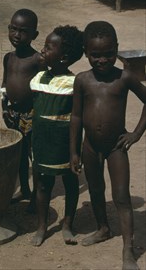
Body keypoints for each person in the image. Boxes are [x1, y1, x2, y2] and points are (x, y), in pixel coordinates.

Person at [70, 21, 146, 270]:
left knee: (122, 197)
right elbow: (77, 116)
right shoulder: (82, 80)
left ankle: (128, 252)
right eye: (95, 55)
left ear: (117, 49)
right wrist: (73, 151)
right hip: (89, 146)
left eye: (108, 54)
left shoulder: (124, 78)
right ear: (85, 52)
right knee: (95, 189)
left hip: (116, 147)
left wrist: (135, 134)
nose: (102, 60)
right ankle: (103, 227)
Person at [30, 25, 84, 246]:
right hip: (42, 141)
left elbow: (77, 118)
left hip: (66, 143)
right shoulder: (40, 77)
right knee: (43, 184)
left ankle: (68, 225)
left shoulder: (74, 83)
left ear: (63, 57)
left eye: (48, 47)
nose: (42, 50)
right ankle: (42, 227)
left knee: (71, 182)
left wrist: (74, 152)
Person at [0, 9, 45, 209]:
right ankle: (24, 188)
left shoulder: (38, 60)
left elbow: (43, 89)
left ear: (34, 35)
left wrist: (39, 114)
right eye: (14, 29)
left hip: (32, 114)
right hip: (13, 114)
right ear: (9, 29)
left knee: (34, 155)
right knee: (19, 154)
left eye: (24, 31)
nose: (17, 35)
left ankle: (37, 194)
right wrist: (4, 105)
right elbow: (5, 83)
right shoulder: (8, 58)